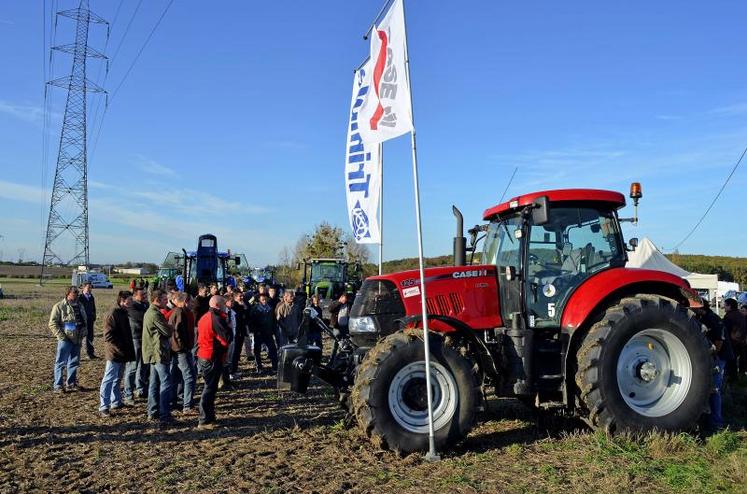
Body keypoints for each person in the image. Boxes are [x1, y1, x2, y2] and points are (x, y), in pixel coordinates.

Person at [692, 299, 734, 432]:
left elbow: (719, 340)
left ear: (700, 307)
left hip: (720, 356)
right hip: (716, 356)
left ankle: (717, 423)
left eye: (694, 307)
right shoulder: (703, 317)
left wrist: (712, 355)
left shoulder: (711, 318)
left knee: (714, 389)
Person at [99, 291, 136, 417]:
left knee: (117, 378)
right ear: (122, 300)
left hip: (122, 352)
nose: (131, 301)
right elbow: (108, 336)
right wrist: (120, 347)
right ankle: (104, 406)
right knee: (109, 379)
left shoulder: (124, 313)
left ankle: (116, 401)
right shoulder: (113, 314)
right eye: (129, 299)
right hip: (114, 352)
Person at [196, 295, 231, 428]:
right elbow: (226, 337)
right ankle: (204, 419)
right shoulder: (215, 318)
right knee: (209, 388)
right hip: (211, 356)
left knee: (211, 387)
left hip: (206, 355)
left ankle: (209, 417)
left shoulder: (206, 316)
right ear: (217, 305)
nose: (225, 305)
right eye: (223, 303)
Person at [142, 289, 175, 425]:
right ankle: (164, 415)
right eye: (164, 299)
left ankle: (153, 411)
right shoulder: (155, 314)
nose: (166, 302)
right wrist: (171, 326)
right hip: (158, 353)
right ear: (156, 299)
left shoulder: (151, 312)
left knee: (154, 384)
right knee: (166, 383)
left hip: (153, 353)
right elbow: (167, 331)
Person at [49, 286, 87, 392]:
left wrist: (84, 331)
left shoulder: (80, 305)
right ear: (68, 293)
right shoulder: (59, 306)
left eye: (77, 292)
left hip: (78, 338)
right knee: (61, 362)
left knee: (74, 362)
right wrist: (62, 337)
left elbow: (84, 320)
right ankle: (58, 386)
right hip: (65, 339)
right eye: (75, 292)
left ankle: (71, 384)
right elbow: (52, 324)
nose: (77, 294)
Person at [169, 292, 197, 414]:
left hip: (176, 349)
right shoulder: (180, 313)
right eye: (191, 302)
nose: (192, 304)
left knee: (176, 377)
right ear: (185, 301)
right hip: (181, 350)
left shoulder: (180, 312)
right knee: (189, 376)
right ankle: (187, 405)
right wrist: (183, 347)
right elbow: (177, 333)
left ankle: (174, 402)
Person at [123, 287, 149, 403]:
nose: (144, 296)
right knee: (132, 367)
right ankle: (128, 394)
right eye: (141, 294)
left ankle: (140, 388)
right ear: (134, 296)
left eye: (145, 294)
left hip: (144, 339)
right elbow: (143, 318)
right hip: (135, 339)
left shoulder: (145, 305)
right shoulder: (132, 306)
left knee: (143, 366)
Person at [248, 292, 278, 374]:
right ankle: (259, 367)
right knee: (257, 351)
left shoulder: (270, 308)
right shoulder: (255, 308)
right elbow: (251, 321)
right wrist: (254, 331)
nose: (264, 301)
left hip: (268, 333)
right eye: (262, 299)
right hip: (258, 333)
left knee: (273, 350)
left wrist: (273, 330)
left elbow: (274, 320)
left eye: (265, 299)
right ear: (259, 300)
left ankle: (275, 367)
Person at [723, 298, 747, 378]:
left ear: (729, 306)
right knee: (742, 359)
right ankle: (742, 375)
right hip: (742, 340)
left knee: (732, 360)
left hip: (733, 342)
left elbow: (725, 330)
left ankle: (733, 378)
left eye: (725, 305)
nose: (724, 307)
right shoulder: (740, 314)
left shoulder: (729, 316)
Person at [229, 291, 248, 379]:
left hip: (241, 332)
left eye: (242, 296)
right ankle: (231, 371)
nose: (242, 298)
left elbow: (247, 317)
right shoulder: (234, 307)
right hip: (235, 333)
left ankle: (234, 370)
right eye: (240, 296)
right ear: (235, 297)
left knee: (237, 352)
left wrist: (245, 307)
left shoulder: (242, 305)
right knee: (234, 353)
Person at [220, 296, 237, 389]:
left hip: (232, 337)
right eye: (231, 301)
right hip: (226, 339)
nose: (233, 303)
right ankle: (225, 377)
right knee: (225, 358)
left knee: (230, 356)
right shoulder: (223, 313)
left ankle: (230, 373)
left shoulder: (233, 312)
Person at [79, 282, 98, 359]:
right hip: (83, 320)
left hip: (90, 319)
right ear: (83, 288)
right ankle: (88, 354)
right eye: (88, 287)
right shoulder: (80, 298)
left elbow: (93, 308)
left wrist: (94, 316)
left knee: (91, 336)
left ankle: (91, 352)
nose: (90, 289)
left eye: (91, 287)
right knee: (85, 337)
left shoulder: (91, 297)